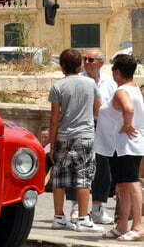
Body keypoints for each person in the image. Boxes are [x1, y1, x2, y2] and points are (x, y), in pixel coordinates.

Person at [49, 48, 103, 232]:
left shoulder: (58, 86)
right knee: (84, 178)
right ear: (80, 64)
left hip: (63, 136)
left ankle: (58, 217)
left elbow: (54, 118)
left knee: (59, 178)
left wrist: (52, 143)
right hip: (85, 136)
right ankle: (83, 219)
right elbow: (97, 110)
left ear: (62, 65)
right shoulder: (90, 83)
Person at [95, 54, 144, 240]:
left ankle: (138, 226)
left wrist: (127, 124)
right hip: (123, 146)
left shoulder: (121, 91)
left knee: (132, 184)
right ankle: (122, 225)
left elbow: (128, 109)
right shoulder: (134, 88)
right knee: (123, 185)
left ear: (116, 71)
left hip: (124, 145)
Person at [66, 49, 117, 225]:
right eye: (84, 59)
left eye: (90, 59)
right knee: (77, 167)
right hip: (81, 126)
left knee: (103, 167)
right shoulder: (77, 80)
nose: (86, 62)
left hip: (102, 127)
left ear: (101, 62)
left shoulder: (109, 82)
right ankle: (76, 207)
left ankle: (98, 208)